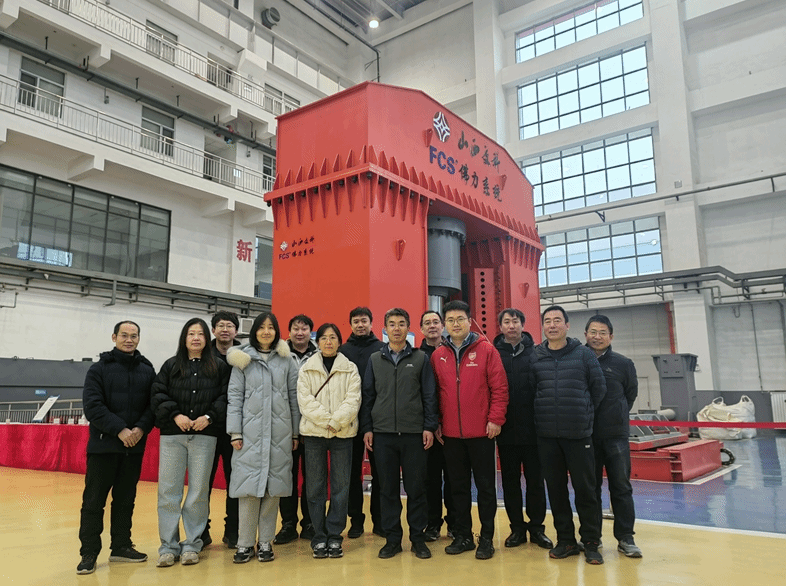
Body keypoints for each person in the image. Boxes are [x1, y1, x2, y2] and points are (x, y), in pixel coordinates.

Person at [76, 321, 156, 575]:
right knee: (93, 502)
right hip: (104, 447)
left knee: (125, 500)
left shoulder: (147, 369)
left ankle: (121, 546)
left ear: (139, 339)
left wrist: (140, 429)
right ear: (114, 337)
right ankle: (89, 553)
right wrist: (120, 429)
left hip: (133, 448)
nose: (129, 339)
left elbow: (153, 405)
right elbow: (93, 406)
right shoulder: (98, 369)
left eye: (134, 336)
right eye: (124, 335)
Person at [431, 300, 508, 560]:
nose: (455, 324)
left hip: (482, 434)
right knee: (458, 489)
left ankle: (486, 538)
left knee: (486, 489)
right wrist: (437, 422)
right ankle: (463, 536)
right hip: (451, 435)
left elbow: (499, 388)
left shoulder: (486, 350)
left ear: (469, 321)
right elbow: (435, 393)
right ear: (445, 324)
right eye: (450, 320)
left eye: (460, 319)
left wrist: (495, 419)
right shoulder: (438, 355)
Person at [529, 305, 606, 565]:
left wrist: (583, 413)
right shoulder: (536, 357)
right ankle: (566, 541)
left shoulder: (583, 354)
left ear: (567, 325)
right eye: (547, 321)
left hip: (578, 435)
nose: (552, 325)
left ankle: (591, 542)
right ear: (543, 326)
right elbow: (532, 390)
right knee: (557, 490)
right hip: (547, 436)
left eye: (557, 320)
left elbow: (598, 389)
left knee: (586, 490)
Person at [151, 317, 229, 568]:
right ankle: (168, 546)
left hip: (205, 436)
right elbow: (158, 394)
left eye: (200, 334)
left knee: (198, 492)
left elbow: (225, 396)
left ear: (207, 338)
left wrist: (209, 417)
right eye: (191, 334)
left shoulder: (219, 367)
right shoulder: (171, 365)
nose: (196, 338)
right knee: (168, 491)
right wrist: (176, 415)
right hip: (172, 436)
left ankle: (193, 544)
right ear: (184, 338)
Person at [361, 308, 438, 560]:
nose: (396, 328)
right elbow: (368, 396)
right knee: (387, 490)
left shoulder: (421, 358)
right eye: (392, 324)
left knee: (417, 489)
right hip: (383, 435)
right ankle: (393, 539)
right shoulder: (374, 359)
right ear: (385, 329)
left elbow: (429, 395)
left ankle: (418, 539)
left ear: (408, 328)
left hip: (414, 434)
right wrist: (368, 428)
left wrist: (429, 426)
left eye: (401, 324)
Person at [226, 312, 300, 564]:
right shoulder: (242, 359)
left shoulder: (287, 360)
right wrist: (235, 431)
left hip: (280, 434)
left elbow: (294, 398)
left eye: (271, 327)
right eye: (261, 327)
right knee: (248, 490)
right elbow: (234, 397)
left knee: (273, 489)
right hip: (249, 434)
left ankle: (266, 541)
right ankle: (245, 544)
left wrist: (295, 432)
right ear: (254, 331)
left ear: (277, 331)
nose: (266, 331)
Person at [298, 323, 362, 559]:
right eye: (324, 337)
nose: (328, 341)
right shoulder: (307, 369)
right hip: (314, 434)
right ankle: (318, 536)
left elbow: (353, 399)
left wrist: (336, 422)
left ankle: (334, 536)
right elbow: (304, 400)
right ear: (318, 342)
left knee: (341, 486)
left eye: (333, 337)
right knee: (315, 487)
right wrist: (326, 421)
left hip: (342, 434)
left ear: (339, 341)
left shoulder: (350, 368)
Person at [494, 308, 554, 551]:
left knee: (536, 483)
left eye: (515, 321)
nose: (511, 325)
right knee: (510, 483)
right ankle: (517, 529)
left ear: (523, 324)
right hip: (505, 431)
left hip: (533, 431)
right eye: (507, 322)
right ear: (500, 327)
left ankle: (537, 529)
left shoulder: (537, 353)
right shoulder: (493, 354)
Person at [584, 315, 642, 558]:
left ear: (611, 336)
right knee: (590, 488)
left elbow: (630, 394)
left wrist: (616, 415)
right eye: (593, 332)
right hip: (586, 435)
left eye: (602, 333)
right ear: (585, 334)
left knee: (621, 486)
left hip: (615, 435)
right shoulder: (578, 360)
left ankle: (626, 537)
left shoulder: (623, 363)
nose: (597, 337)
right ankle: (592, 538)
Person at [339, 307, 384, 538]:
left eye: (364, 321)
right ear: (350, 324)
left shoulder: (381, 348)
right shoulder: (342, 351)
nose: (360, 325)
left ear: (371, 323)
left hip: (377, 420)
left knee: (380, 474)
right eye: (356, 321)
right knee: (351, 474)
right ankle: (356, 521)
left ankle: (380, 521)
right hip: (349, 421)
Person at [275, 314, 318, 545]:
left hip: (312, 427)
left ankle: (310, 523)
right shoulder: (279, 354)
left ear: (311, 331)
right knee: (286, 478)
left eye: (304, 329)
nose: (300, 333)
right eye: (295, 328)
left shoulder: (319, 354)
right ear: (289, 331)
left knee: (312, 478)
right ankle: (288, 524)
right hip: (285, 427)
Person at [202, 311, 241, 550]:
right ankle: (201, 532)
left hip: (234, 431)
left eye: (229, 326)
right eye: (220, 325)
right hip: (207, 428)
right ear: (213, 330)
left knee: (235, 482)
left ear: (236, 330)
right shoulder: (202, 354)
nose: (225, 329)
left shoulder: (244, 356)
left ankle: (233, 531)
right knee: (202, 483)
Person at [419, 310, 455, 541]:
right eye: (427, 323)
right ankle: (432, 524)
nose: (432, 326)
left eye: (435, 322)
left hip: (452, 428)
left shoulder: (454, 352)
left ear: (443, 326)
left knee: (454, 479)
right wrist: (431, 424)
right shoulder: (416, 356)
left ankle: (455, 523)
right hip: (428, 429)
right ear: (421, 329)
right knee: (430, 480)